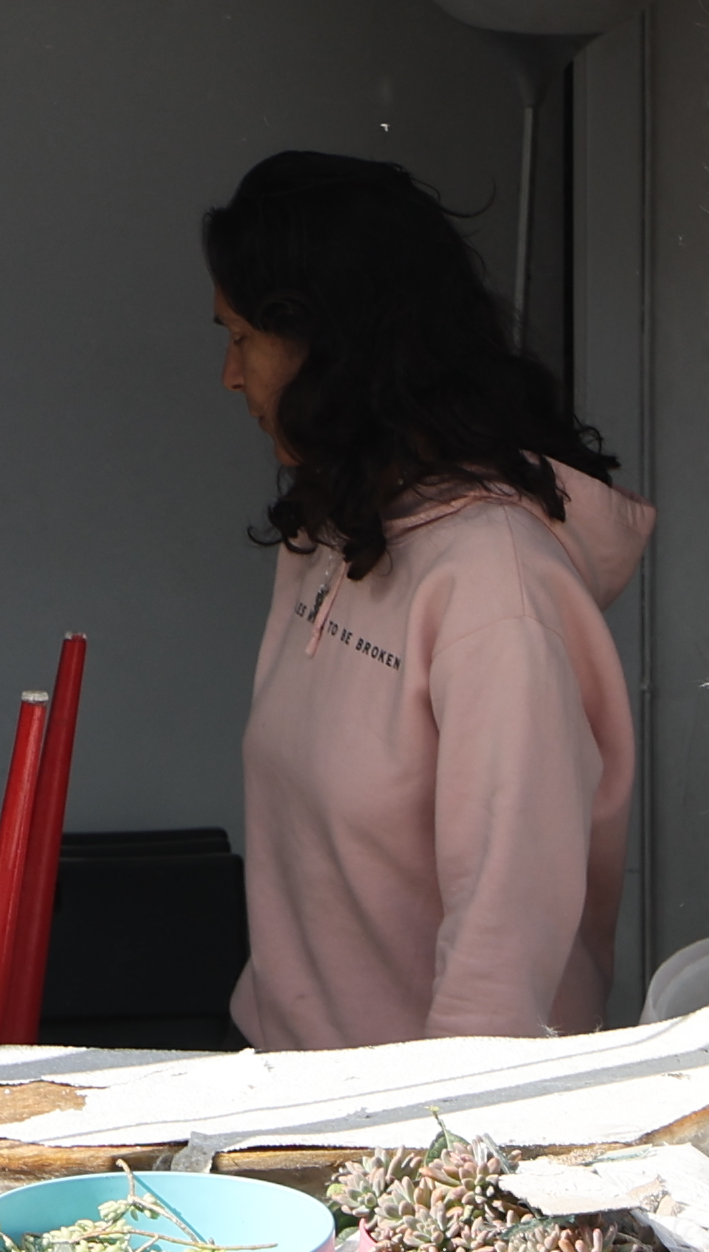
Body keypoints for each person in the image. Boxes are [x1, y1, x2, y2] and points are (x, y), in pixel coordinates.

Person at [204, 150, 652, 1047]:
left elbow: (502, 944)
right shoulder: (333, 531)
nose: (229, 374)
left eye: (242, 337)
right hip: (295, 1107)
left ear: (326, 343)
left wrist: (431, 1171)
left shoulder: (497, 586)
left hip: (409, 1146)